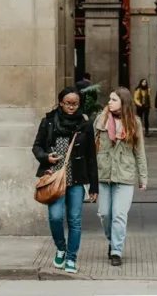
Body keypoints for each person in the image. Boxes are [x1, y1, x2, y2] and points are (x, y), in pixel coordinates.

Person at [32, 87, 99, 275]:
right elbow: (36, 147)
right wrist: (46, 157)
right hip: (54, 177)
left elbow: (91, 156)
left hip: (76, 179)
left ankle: (71, 257)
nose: (71, 107)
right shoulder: (48, 122)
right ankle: (60, 247)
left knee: (75, 220)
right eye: (68, 103)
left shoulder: (85, 124)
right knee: (55, 216)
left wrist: (94, 186)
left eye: (75, 104)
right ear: (61, 102)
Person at [94, 87, 148, 266]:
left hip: (125, 173)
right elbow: (91, 148)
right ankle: (112, 240)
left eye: (114, 99)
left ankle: (116, 250)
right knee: (104, 214)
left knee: (119, 215)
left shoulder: (134, 122)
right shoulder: (100, 120)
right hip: (103, 172)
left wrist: (143, 178)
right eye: (109, 99)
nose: (109, 102)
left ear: (123, 103)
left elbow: (139, 152)